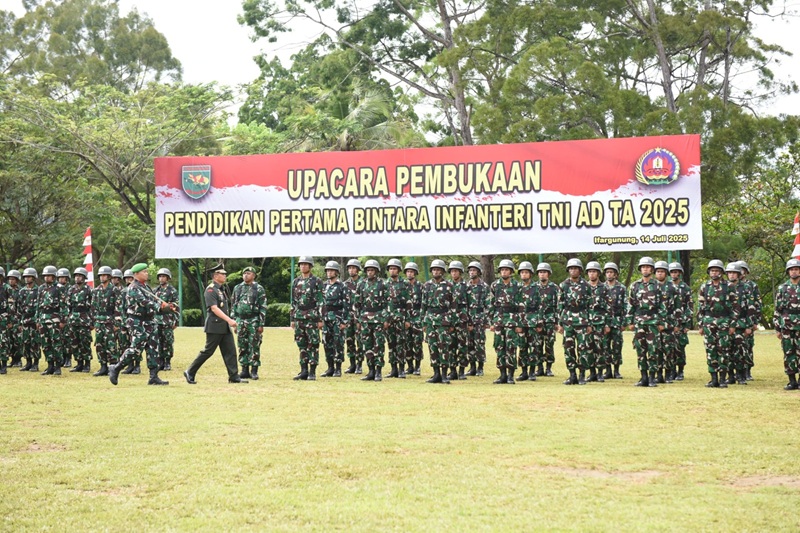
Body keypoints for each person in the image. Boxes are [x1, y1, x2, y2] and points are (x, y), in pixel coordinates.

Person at [109, 263, 175, 386]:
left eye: (146, 271)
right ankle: (116, 367)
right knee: (135, 349)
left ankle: (153, 376)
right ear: (136, 274)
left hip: (149, 321)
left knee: (153, 349)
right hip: (137, 321)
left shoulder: (146, 287)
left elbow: (155, 300)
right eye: (144, 271)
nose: (147, 273)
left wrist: (168, 306)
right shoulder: (133, 288)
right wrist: (160, 308)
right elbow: (144, 302)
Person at [183, 267, 246, 384]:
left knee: (230, 351)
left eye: (225, 273)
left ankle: (234, 376)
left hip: (224, 326)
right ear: (215, 276)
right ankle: (190, 371)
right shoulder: (211, 290)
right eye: (222, 274)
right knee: (208, 351)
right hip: (215, 326)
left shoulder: (221, 290)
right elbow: (214, 308)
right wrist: (229, 320)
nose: (225, 276)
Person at [627, 257, 666, 387]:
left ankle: (652, 377)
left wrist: (661, 322)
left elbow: (662, 306)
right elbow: (631, 304)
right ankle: (643, 377)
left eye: (648, 267)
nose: (645, 269)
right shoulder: (635, 285)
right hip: (639, 321)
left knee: (653, 349)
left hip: (653, 321)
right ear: (640, 269)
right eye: (643, 267)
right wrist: (630, 321)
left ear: (652, 270)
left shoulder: (657, 286)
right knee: (640, 349)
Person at [697, 259, 735, 388]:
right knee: (710, 349)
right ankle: (713, 378)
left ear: (721, 272)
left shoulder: (728, 287)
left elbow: (735, 307)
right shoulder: (705, 287)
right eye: (712, 270)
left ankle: (723, 378)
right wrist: (700, 324)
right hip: (708, 322)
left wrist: (732, 324)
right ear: (709, 272)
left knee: (723, 349)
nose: (714, 273)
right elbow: (701, 307)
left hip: (724, 321)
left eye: (717, 271)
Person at [353, 259, 391, 381]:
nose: (370, 272)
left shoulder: (383, 284)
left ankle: (378, 371)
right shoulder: (361, 284)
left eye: (372, 270)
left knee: (379, 345)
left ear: (376, 271)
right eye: (368, 270)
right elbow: (357, 303)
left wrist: (386, 319)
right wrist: (358, 319)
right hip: (365, 319)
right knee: (367, 345)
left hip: (378, 317)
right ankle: (371, 371)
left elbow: (388, 303)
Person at [421, 259, 456, 384]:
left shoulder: (449, 286)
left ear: (442, 271)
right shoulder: (427, 285)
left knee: (444, 347)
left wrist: (452, 323)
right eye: (434, 269)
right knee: (432, 347)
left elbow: (453, 305)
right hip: (430, 319)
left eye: (438, 269)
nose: (436, 271)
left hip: (443, 319)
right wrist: (423, 323)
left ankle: (444, 374)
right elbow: (423, 305)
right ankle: (435, 373)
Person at [558, 258, 592, 385]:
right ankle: (572, 374)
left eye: (575, 268)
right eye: (571, 268)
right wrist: (560, 323)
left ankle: (582, 374)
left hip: (582, 320)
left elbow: (590, 305)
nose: (573, 270)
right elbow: (560, 305)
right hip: (568, 320)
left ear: (580, 270)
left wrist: (589, 323)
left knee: (583, 348)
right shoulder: (563, 285)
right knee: (568, 348)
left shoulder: (586, 286)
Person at [487, 259, 521, 384]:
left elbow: (522, 306)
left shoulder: (517, 286)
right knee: (499, 346)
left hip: (512, 320)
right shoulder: (495, 285)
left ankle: (511, 375)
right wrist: (491, 322)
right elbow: (490, 304)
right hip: (499, 319)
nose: (504, 272)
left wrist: (519, 323)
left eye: (506, 269)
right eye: (502, 270)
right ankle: (502, 375)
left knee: (511, 347)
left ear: (511, 272)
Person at [290, 257, 324, 381]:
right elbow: (293, 301)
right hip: (299, 316)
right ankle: (303, 370)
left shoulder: (316, 281)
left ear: (310, 266)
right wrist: (292, 318)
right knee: (301, 344)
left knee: (313, 344)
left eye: (306, 264)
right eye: (301, 264)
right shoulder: (296, 281)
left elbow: (321, 300)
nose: (303, 266)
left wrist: (320, 319)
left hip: (312, 317)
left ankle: (312, 371)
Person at [232, 266, 268, 380]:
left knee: (254, 345)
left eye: (248, 273)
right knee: (242, 345)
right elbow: (233, 305)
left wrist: (261, 323)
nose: (245, 275)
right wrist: (234, 321)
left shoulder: (259, 288)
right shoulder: (238, 288)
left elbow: (263, 306)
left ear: (253, 275)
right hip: (241, 320)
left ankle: (254, 370)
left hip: (253, 320)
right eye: (244, 273)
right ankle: (244, 369)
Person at [725, 262, 755, 385]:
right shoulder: (723, 287)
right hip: (726, 324)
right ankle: (730, 375)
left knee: (741, 350)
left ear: (739, 274)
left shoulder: (746, 288)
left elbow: (751, 308)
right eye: (729, 273)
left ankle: (741, 375)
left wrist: (749, 326)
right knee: (727, 350)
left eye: (734, 273)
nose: (732, 275)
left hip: (741, 323)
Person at [36, 265, 68, 375]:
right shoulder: (41, 288)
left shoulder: (59, 288)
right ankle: (50, 365)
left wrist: (63, 320)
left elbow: (64, 306)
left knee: (56, 343)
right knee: (45, 343)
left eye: (49, 276)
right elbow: (38, 305)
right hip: (43, 319)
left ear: (54, 277)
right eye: (45, 276)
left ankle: (58, 366)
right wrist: (38, 320)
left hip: (55, 319)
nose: (46, 278)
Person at [319, 261, 349, 377]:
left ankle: (338, 368)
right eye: (327, 270)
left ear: (336, 272)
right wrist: (321, 319)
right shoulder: (324, 286)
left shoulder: (342, 286)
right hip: (326, 317)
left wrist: (344, 321)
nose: (329, 272)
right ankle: (330, 367)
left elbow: (347, 305)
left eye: (331, 270)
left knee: (338, 343)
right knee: (327, 343)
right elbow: (321, 303)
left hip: (338, 317)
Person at [774, 258, 800, 390]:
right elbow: (778, 309)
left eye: (796, 269)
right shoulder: (782, 288)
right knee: (788, 352)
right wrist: (777, 327)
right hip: (786, 325)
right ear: (788, 272)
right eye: (791, 270)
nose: (793, 272)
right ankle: (792, 380)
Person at [385, 258, 412, 378]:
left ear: (399, 270)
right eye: (390, 268)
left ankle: (401, 369)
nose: (392, 271)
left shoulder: (405, 284)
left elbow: (409, 303)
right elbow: (382, 303)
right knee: (391, 344)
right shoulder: (385, 284)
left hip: (401, 317)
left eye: (394, 268)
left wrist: (408, 319)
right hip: (389, 318)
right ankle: (393, 369)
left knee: (401, 343)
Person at [516, 261, 542, 382]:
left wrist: (539, 323)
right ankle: (524, 371)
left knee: (533, 347)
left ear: (530, 274)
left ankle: (532, 372)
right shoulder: (517, 288)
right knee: (522, 347)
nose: (524, 274)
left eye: (526, 272)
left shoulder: (537, 288)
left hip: (533, 321)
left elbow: (541, 306)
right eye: (522, 272)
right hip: (521, 321)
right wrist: (517, 323)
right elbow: (514, 306)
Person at [654, 260, 679, 383]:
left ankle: (669, 373)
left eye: (662, 272)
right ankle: (658, 374)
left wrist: (677, 324)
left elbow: (678, 307)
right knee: (656, 350)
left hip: (669, 323)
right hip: (654, 324)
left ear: (666, 273)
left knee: (669, 350)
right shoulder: (651, 286)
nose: (660, 274)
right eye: (658, 271)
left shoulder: (672, 287)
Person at [585, 261, 610, 382]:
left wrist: (607, 324)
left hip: (600, 322)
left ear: (598, 273)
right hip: (586, 322)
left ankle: (600, 372)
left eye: (594, 271)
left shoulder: (604, 287)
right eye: (590, 271)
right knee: (588, 347)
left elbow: (608, 307)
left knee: (600, 347)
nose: (592, 274)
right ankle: (592, 372)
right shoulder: (583, 286)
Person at [91, 266, 118, 377]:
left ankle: (113, 367)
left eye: (104, 275)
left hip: (110, 321)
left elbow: (118, 307)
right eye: (101, 275)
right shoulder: (96, 291)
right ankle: (103, 366)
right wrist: (94, 321)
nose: (102, 277)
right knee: (99, 344)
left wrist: (117, 323)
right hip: (99, 321)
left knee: (111, 345)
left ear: (109, 276)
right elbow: (93, 307)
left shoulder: (114, 290)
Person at [534, 263, 559, 377]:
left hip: (550, 320)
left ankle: (548, 368)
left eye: (544, 272)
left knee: (549, 345)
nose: (542, 274)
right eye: (540, 272)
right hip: (537, 321)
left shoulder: (554, 288)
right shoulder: (534, 287)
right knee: (537, 344)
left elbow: (558, 305)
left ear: (548, 274)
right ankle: (539, 368)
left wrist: (557, 322)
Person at [738, 260, 762, 380]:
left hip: (748, 320)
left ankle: (747, 370)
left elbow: (757, 304)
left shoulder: (752, 285)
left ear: (746, 272)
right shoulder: (729, 285)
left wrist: (755, 321)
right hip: (734, 321)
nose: (741, 272)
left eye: (743, 269)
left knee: (748, 345)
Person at [66, 267, 93, 373]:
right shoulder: (71, 289)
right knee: (74, 342)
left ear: (84, 277)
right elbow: (68, 306)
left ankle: (87, 363)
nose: (77, 278)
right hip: (73, 318)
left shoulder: (89, 290)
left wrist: (92, 321)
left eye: (80, 276)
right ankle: (79, 363)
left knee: (85, 342)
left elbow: (93, 306)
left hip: (84, 318)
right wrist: (68, 317)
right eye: (76, 276)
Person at [668, 262, 693, 380]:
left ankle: (681, 370)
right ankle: (671, 370)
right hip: (669, 322)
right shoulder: (666, 287)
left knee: (680, 347)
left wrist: (687, 323)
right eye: (672, 272)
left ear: (680, 273)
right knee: (670, 347)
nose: (673, 274)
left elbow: (689, 306)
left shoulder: (685, 288)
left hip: (681, 322)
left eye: (676, 272)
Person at [603, 262, 627, 379]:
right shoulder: (602, 287)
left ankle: (616, 370)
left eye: (611, 272)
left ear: (616, 274)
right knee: (605, 346)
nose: (609, 274)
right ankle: (607, 370)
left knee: (617, 346)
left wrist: (624, 322)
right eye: (607, 272)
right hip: (605, 322)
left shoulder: (621, 288)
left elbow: (625, 305)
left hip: (617, 321)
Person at [466, 261, 488, 376]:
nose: (472, 272)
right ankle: (472, 367)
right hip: (468, 319)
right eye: (470, 270)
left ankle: (480, 367)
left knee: (479, 343)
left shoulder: (484, 287)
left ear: (479, 272)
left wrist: (486, 320)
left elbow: (488, 304)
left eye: (474, 270)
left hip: (480, 319)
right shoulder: (466, 286)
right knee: (469, 344)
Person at [448, 260, 469, 380]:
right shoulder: (446, 286)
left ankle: (461, 370)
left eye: (456, 271)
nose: (454, 273)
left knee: (462, 346)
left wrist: (469, 321)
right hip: (449, 319)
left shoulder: (466, 286)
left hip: (462, 320)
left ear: (460, 272)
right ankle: (452, 370)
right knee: (450, 346)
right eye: (452, 271)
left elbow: (470, 304)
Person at [154, 268, 179, 371]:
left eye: (163, 276)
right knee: (158, 341)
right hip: (157, 319)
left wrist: (169, 306)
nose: (161, 278)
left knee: (168, 341)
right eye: (160, 276)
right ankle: (160, 362)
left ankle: (167, 362)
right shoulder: (155, 290)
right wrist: (158, 306)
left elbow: (176, 305)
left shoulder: (172, 291)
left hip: (168, 319)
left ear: (168, 278)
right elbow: (152, 303)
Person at [18, 268, 41, 372]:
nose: (27, 279)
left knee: (35, 342)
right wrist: (19, 322)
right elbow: (18, 307)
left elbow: (39, 307)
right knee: (25, 342)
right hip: (25, 320)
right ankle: (28, 362)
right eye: (26, 277)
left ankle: (35, 363)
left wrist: (38, 320)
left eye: (29, 277)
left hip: (34, 320)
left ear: (34, 277)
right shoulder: (22, 291)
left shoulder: (38, 290)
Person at [343, 259, 363, 374]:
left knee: (360, 341)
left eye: (353, 268)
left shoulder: (363, 283)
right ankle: (352, 364)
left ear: (358, 270)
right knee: (349, 340)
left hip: (360, 317)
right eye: (349, 268)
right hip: (348, 317)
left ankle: (359, 364)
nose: (351, 270)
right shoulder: (345, 284)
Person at [404, 262, 424, 375]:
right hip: (406, 317)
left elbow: (424, 302)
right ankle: (410, 366)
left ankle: (417, 366)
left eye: (411, 271)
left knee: (417, 343)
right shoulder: (403, 285)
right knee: (407, 342)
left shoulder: (421, 286)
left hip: (417, 317)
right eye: (407, 271)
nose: (409, 273)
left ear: (415, 273)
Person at [6, 270, 22, 368]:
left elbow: (21, 306)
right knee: (9, 340)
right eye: (10, 279)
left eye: (13, 279)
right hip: (7, 318)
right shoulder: (5, 290)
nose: (11, 281)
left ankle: (18, 359)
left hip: (17, 319)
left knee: (17, 340)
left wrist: (19, 320)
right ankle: (12, 359)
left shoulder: (20, 291)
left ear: (17, 280)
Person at [0, 268, 12, 374]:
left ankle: (4, 364)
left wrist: (10, 320)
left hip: (3, 318)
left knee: (3, 342)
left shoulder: (7, 288)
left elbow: (11, 306)